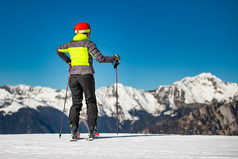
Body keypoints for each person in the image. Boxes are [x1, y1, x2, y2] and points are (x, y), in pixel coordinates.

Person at [56, 22, 120, 140]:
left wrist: (68, 61)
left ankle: (74, 130)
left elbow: (58, 50)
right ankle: (92, 130)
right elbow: (100, 59)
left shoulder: (70, 44)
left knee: (76, 103)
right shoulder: (89, 44)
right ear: (87, 32)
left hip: (73, 77)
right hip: (86, 76)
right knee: (90, 101)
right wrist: (114, 58)